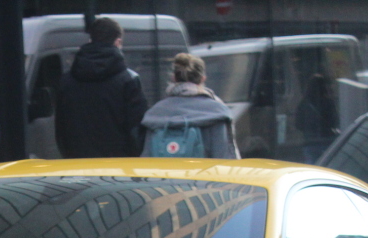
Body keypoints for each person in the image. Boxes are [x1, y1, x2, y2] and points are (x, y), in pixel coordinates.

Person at [55, 17, 149, 158]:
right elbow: (136, 130)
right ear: (118, 42)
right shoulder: (128, 80)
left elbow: (61, 130)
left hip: (77, 164)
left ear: (90, 40)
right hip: (118, 167)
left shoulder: (67, 81)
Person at [141, 53, 241, 159]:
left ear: (173, 77)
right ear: (202, 79)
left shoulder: (155, 114)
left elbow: (147, 157)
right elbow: (224, 155)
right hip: (201, 174)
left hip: (164, 174)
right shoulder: (217, 112)